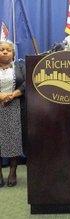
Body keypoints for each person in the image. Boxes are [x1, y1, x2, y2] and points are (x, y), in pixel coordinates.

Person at [0, 40, 25, 187]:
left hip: (15, 107)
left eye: (8, 50)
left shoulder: (20, 66)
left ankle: (12, 172)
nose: (4, 52)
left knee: (13, 140)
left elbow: (27, 83)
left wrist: (13, 95)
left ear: (13, 53)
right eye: (1, 49)